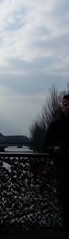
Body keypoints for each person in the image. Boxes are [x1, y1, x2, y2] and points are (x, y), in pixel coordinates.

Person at [45, 94, 69, 229]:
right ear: (62, 106)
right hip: (62, 168)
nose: (68, 107)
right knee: (65, 200)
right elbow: (45, 145)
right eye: (66, 104)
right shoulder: (55, 125)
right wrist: (54, 149)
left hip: (62, 167)